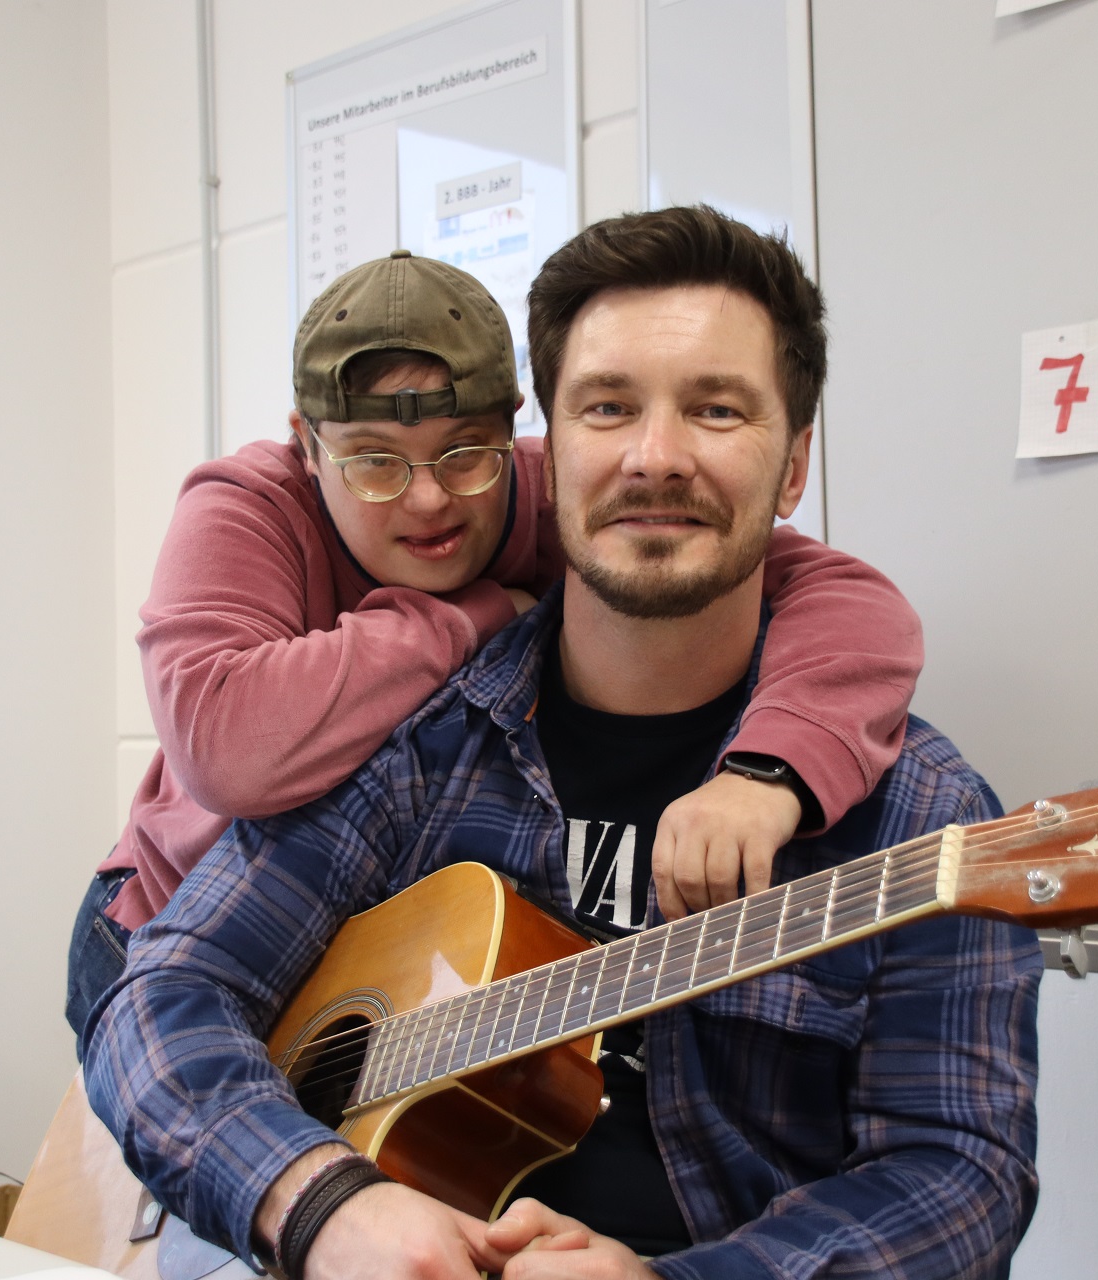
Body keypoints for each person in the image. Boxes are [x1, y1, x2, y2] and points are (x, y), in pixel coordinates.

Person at [82, 206, 1042, 1279]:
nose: (655, 456)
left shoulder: (926, 815)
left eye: (718, 409)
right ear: (559, 443)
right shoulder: (414, 737)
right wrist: (323, 1203)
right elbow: (161, 998)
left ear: (793, 466)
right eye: (608, 406)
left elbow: (959, 1175)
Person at [64, 246, 928, 1039]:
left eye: (463, 452)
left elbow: (846, 597)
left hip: (366, 953)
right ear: (306, 447)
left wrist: (767, 774)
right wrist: (471, 615)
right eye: (373, 461)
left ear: (520, 435)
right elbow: (227, 748)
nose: (430, 501)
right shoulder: (246, 507)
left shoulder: (558, 494)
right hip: (164, 926)